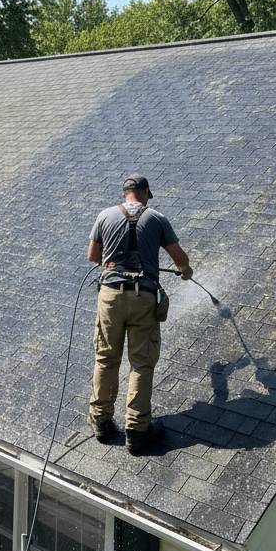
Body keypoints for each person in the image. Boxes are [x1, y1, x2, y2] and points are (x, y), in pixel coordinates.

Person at [87, 175, 191, 455]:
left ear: (125, 195)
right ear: (144, 193)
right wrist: (185, 271)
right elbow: (180, 260)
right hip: (143, 296)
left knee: (106, 358)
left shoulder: (105, 216)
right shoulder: (156, 218)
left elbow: (93, 256)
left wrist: (115, 262)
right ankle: (137, 429)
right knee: (141, 364)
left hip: (109, 295)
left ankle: (100, 422)